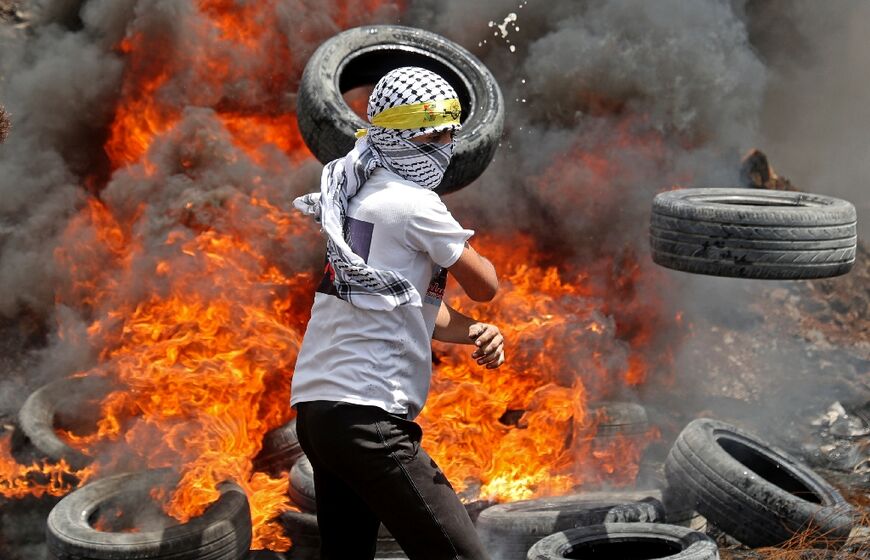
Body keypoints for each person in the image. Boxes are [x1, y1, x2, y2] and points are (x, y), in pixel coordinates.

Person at [290, 66, 504, 560]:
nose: (448, 146)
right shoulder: (414, 204)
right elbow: (486, 284)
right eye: (440, 134)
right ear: (409, 135)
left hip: (320, 417)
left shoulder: (356, 193)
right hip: (370, 419)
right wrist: (464, 260)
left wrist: (475, 333)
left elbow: (421, 309)